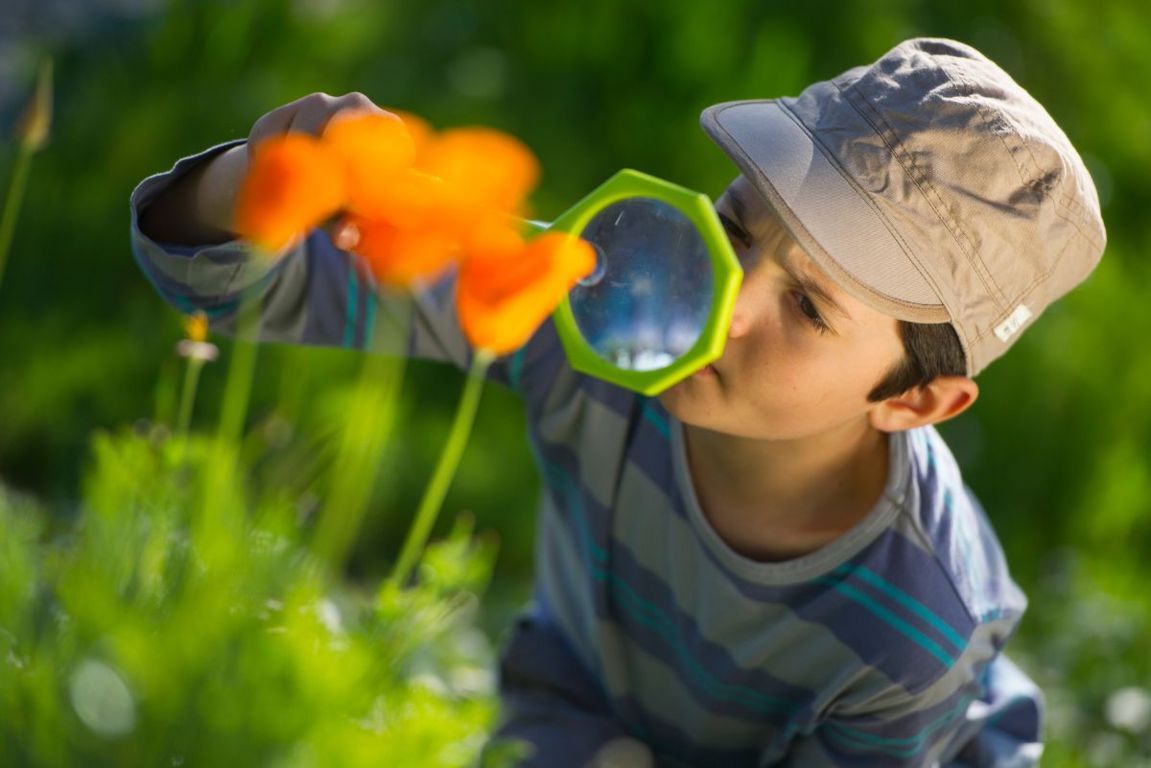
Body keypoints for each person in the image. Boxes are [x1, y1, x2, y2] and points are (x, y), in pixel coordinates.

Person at [131, 37, 1105, 767]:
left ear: (919, 401)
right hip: (574, 717)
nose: (721, 304)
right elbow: (215, 280)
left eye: (806, 305)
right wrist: (263, 183)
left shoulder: (912, 628)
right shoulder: (597, 310)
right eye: (733, 226)